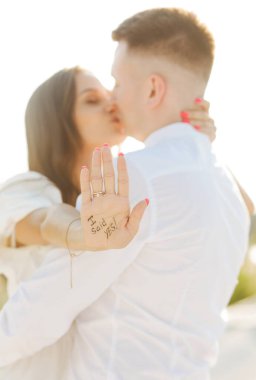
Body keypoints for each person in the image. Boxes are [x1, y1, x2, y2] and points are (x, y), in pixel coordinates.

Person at [0, 8, 252, 379]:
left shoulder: (133, 178)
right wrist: (81, 234)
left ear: (153, 88)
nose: (112, 100)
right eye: (94, 98)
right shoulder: (226, 192)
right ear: (59, 122)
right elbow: (43, 220)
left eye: (115, 84)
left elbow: (37, 313)